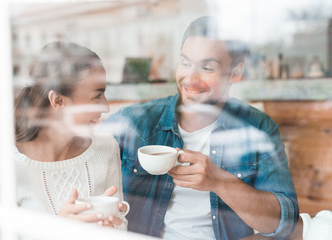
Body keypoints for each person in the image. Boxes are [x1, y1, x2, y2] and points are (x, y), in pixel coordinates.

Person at [102, 16, 299, 240]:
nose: (190, 78)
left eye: (207, 67)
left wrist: (219, 181)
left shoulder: (258, 128)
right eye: (185, 63)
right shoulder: (135, 122)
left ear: (235, 73)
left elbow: (285, 224)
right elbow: (77, 155)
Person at [0, 41, 128, 239]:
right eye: (97, 96)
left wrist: (111, 228)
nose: (106, 107)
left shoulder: (106, 148)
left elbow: (120, 225)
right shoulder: (1, 168)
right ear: (57, 100)